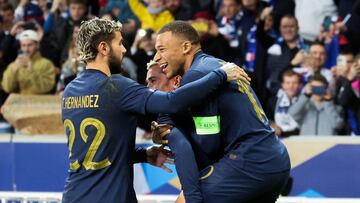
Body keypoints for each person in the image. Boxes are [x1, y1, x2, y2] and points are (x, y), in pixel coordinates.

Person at [61, 18, 247, 203]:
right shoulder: (116, 87)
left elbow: (95, 152)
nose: (124, 50)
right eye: (119, 43)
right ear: (103, 48)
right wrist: (220, 75)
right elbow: (172, 101)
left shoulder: (69, 91)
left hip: (72, 195)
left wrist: (143, 155)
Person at [153, 21, 290, 203]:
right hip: (274, 158)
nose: (156, 57)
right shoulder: (214, 64)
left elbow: (208, 141)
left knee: (184, 200)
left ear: (185, 47)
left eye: (161, 49)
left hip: (249, 162)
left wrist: (174, 128)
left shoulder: (196, 75)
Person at [2, 29, 56, 94]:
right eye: (23, 45)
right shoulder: (15, 64)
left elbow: (47, 87)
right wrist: (13, 72)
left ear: (37, 45)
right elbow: (7, 88)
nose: (26, 49)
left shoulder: (47, 64)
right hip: (20, 102)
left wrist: (31, 70)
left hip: (41, 102)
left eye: (29, 45)